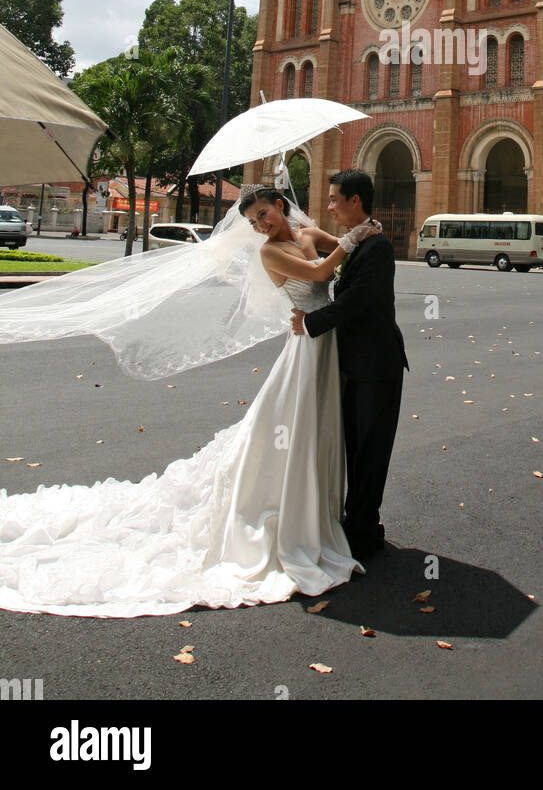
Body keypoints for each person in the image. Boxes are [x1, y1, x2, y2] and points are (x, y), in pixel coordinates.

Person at [0, 187, 375, 617]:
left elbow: (339, 254)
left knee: (316, 428)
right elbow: (320, 273)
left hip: (323, 341)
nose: (260, 225)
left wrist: (361, 235)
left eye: (264, 213)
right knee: (296, 428)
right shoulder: (269, 253)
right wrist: (357, 234)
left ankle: (317, 516)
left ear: (281, 207)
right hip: (307, 349)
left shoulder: (306, 232)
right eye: (253, 220)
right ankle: (293, 521)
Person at [290, 170, 408, 562]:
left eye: (335, 198)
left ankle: (362, 532)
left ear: (355, 200)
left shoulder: (377, 249)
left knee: (371, 451)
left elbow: (356, 300)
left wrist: (310, 323)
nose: (329, 206)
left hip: (377, 365)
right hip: (356, 365)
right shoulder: (359, 241)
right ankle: (359, 523)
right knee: (356, 446)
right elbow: (325, 266)